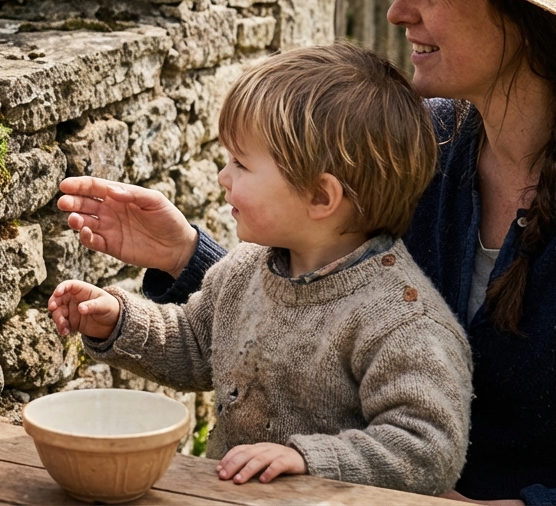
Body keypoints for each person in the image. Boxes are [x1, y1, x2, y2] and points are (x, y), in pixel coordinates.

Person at [57, 0, 556, 504]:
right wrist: (186, 255)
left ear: (526, 18)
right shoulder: (428, 146)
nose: (398, 8)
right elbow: (328, 307)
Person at [49, 42, 472, 493]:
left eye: (241, 163)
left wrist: (308, 458)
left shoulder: (402, 322)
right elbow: (195, 342)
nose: (222, 176)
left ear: (319, 197)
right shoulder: (247, 269)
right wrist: (117, 322)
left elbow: (427, 450)